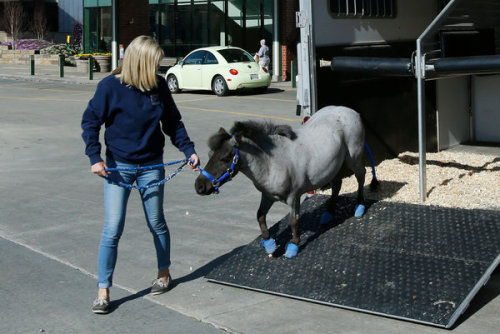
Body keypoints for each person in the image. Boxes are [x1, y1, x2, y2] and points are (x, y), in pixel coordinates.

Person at [81, 35, 200, 314]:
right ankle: (103, 291)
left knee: (157, 222)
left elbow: (173, 122)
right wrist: (94, 158)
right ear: (140, 63)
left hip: (151, 166)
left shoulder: (158, 87)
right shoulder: (110, 87)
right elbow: (90, 122)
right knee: (113, 228)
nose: (158, 69)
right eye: (154, 63)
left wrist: (188, 151)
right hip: (118, 167)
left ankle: (164, 274)